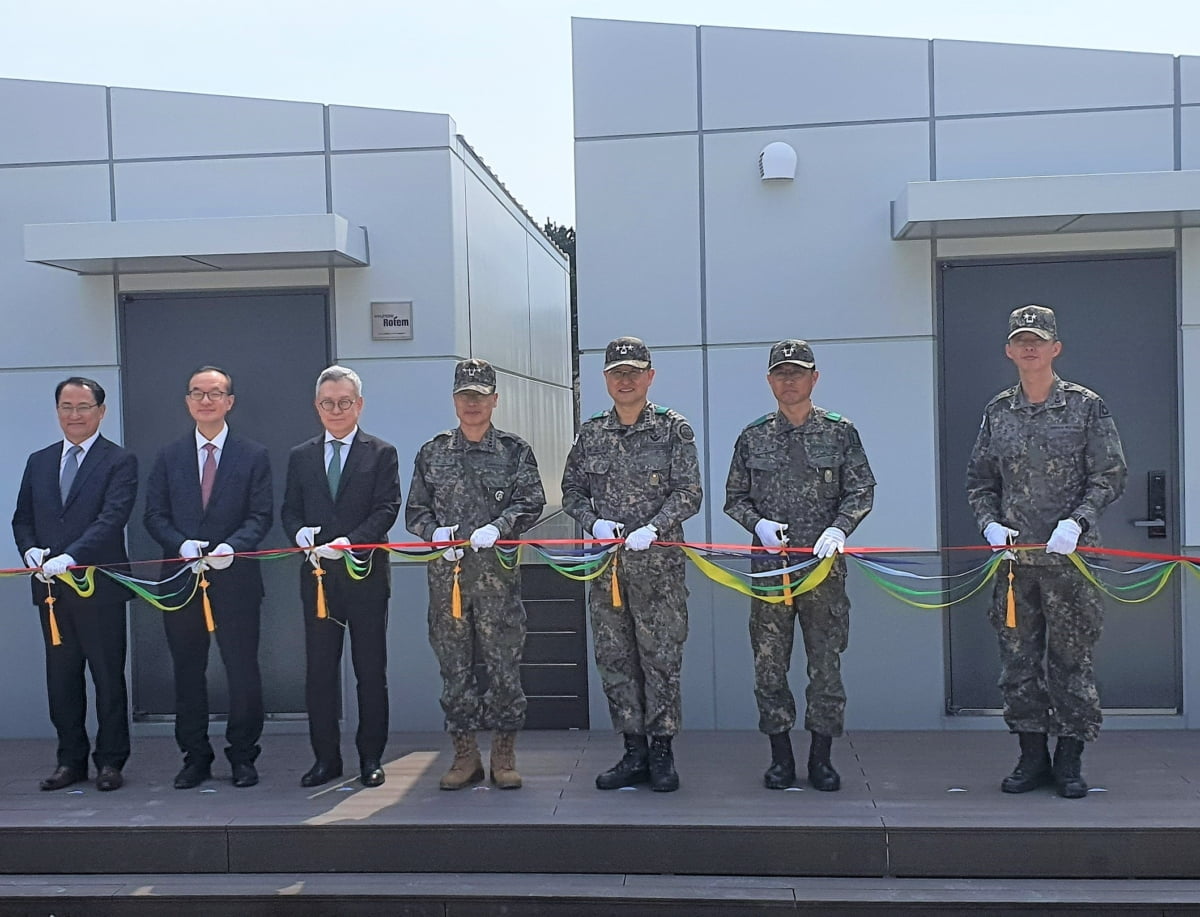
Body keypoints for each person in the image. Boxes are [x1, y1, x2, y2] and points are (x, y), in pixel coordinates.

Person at [966, 305, 1126, 799]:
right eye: (1021, 341)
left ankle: (1070, 758)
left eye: (1038, 340)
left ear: (1055, 348)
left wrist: (1078, 521)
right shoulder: (998, 412)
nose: (1029, 348)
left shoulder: (1085, 406)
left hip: (1071, 562)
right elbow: (980, 481)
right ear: (1010, 351)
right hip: (1016, 567)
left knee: (1071, 661)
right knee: (1017, 662)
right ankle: (1031, 756)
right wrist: (989, 523)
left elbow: (1110, 474)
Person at [724, 340, 875, 791]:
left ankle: (823, 759)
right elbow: (735, 498)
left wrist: (840, 528)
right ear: (770, 381)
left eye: (797, 372)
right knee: (769, 666)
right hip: (771, 571)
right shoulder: (753, 437)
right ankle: (781, 758)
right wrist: (758, 524)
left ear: (815, 378)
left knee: (825, 665)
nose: (789, 380)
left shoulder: (839, 431)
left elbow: (861, 489)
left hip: (823, 570)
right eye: (781, 373)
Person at [561, 336, 702, 792]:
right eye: (617, 372)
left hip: (658, 571)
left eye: (633, 372)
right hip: (609, 573)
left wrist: (655, 528)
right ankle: (632, 750)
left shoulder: (672, 429)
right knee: (616, 660)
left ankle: (662, 751)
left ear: (650, 377)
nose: (625, 380)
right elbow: (572, 491)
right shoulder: (592, 433)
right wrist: (593, 522)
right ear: (605, 380)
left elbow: (689, 492)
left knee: (661, 660)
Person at [406, 359, 546, 790]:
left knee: (505, 666)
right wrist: (434, 534)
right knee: (455, 670)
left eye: (480, 396)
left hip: (497, 583)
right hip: (447, 582)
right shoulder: (433, 452)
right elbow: (415, 511)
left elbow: (531, 501)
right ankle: (464, 755)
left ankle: (503, 754)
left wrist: (498, 527)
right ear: (454, 400)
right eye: (465, 396)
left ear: (495, 400)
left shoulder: (514, 451)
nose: (472, 404)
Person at [144, 366, 273, 790]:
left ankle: (243, 756)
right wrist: (179, 543)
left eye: (214, 393)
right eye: (197, 393)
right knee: (188, 669)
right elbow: (154, 515)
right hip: (181, 581)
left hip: (235, 579)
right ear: (187, 402)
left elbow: (260, 516)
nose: (205, 401)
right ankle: (195, 756)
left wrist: (231, 547)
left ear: (230, 401)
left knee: (242, 670)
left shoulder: (253, 455)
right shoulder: (169, 456)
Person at [12, 377, 138, 792]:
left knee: (107, 677)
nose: (74, 415)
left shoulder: (119, 461)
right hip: (51, 591)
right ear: (57, 411)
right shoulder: (40, 460)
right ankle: (70, 760)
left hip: (98, 586)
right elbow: (22, 518)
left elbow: (111, 518)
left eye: (83, 407)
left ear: (101, 412)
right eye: (67, 406)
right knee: (61, 678)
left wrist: (72, 557)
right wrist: (30, 552)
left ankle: (111, 761)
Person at [281, 365, 401, 788]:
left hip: (365, 575)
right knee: (320, 672)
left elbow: (388, 508)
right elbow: (290, 509)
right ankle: (325, 759)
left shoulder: (381, 452)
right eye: (328, 403)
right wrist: (297, 533)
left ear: (359, 405)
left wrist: (353, 541)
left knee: (370, 671)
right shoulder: (301, 456)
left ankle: (371, 757)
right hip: (318, 582)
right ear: (317, 407)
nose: (336, 409)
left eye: (344, 402)